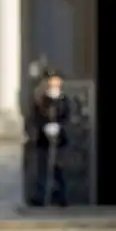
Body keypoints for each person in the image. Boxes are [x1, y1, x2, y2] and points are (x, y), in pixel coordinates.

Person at [29, 70, 71, 207]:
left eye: (56, 81)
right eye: (51, 81)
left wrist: (59, 126)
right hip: (44, 141)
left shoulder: (64, 100)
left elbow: (67, 117)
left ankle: (61, 197)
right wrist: (45, 127)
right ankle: (41, 197)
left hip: (60, 142)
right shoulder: (41, 100)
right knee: (43, 170)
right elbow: (36, 118)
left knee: (59, 170)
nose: (54, 83)